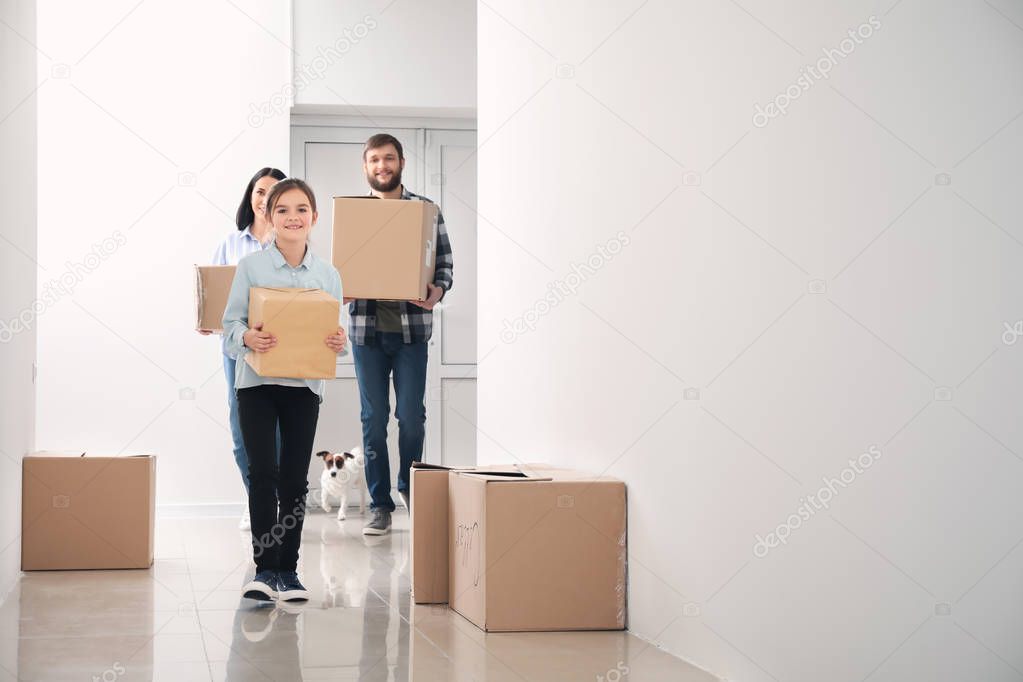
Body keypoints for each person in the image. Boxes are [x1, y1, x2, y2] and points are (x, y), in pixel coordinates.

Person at [222, 178, 347, 601]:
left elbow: (333, 335)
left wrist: (338, 342)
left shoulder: (329, 274)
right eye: (282, 210)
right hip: (256, 386)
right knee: (262, 475)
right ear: (270, 217)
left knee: (294, 480)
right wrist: (246, 339)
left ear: (314, 217)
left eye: (301, 209)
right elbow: (229, 329)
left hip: (303, 389)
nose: (292, 218)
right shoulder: (251, 268)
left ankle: (289, 572)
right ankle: (264, 569)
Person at [349, 133, 453, 536]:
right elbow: (339, 270)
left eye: (388, 159)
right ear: (365, 167)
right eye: (374, 160)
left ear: (402, 162)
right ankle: (380, 504)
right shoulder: (355, 214)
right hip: (366, 333)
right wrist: (345, 286)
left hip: (411, 332)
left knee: (410, 417)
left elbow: (444, 263)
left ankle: (409, 489)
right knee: (373, 421)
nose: (382, 166)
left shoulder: (426, 211)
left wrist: (437, 290)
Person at [200, 167, 285, 531]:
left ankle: (276, 504)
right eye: (260, 191)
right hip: (237, 350)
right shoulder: (231, 243)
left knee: (279, 430)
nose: (265, 198)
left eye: (274, 192)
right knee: (241, 432)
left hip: (278, 347)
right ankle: (258, 501)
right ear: (251, 196)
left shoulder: (289, 244)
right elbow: (214, 293)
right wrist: (207, 318)